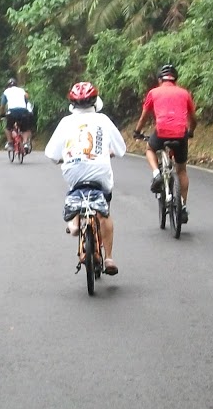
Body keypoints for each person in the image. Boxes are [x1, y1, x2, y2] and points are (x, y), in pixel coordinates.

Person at [45, 80, 127, 275]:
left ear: (72, 104)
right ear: (95, 102)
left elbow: (51, 154)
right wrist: (107, 153)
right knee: (104, 209)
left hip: (74, 172)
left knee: (76, 191)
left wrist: (63, 159)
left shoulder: (66, 122)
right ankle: (108, 258)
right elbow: (120, 149)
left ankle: (74, 224)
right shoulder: (104, 120)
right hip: (99, 173)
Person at [131, 63, 197, 225]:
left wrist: (137, 131)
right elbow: (194, 118)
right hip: (181, 133)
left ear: (160, 79)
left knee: (150, 149)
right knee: (181, 170)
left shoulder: (153, 93)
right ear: (175, 79)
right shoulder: (184, 93)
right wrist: (190, 131)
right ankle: (182, 207)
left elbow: (144, 116)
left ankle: (156, 174)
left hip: (161, 132)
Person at [1, 77, 33, 152]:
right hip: (23, 111)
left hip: (12, 112)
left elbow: (2, 106)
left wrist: (2, 114)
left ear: (8, 85)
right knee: (25, 129)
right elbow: (26, 100)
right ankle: (25, 143)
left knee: (8, 128)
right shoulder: (21, 90)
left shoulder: (6, 91)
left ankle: (10, 143)